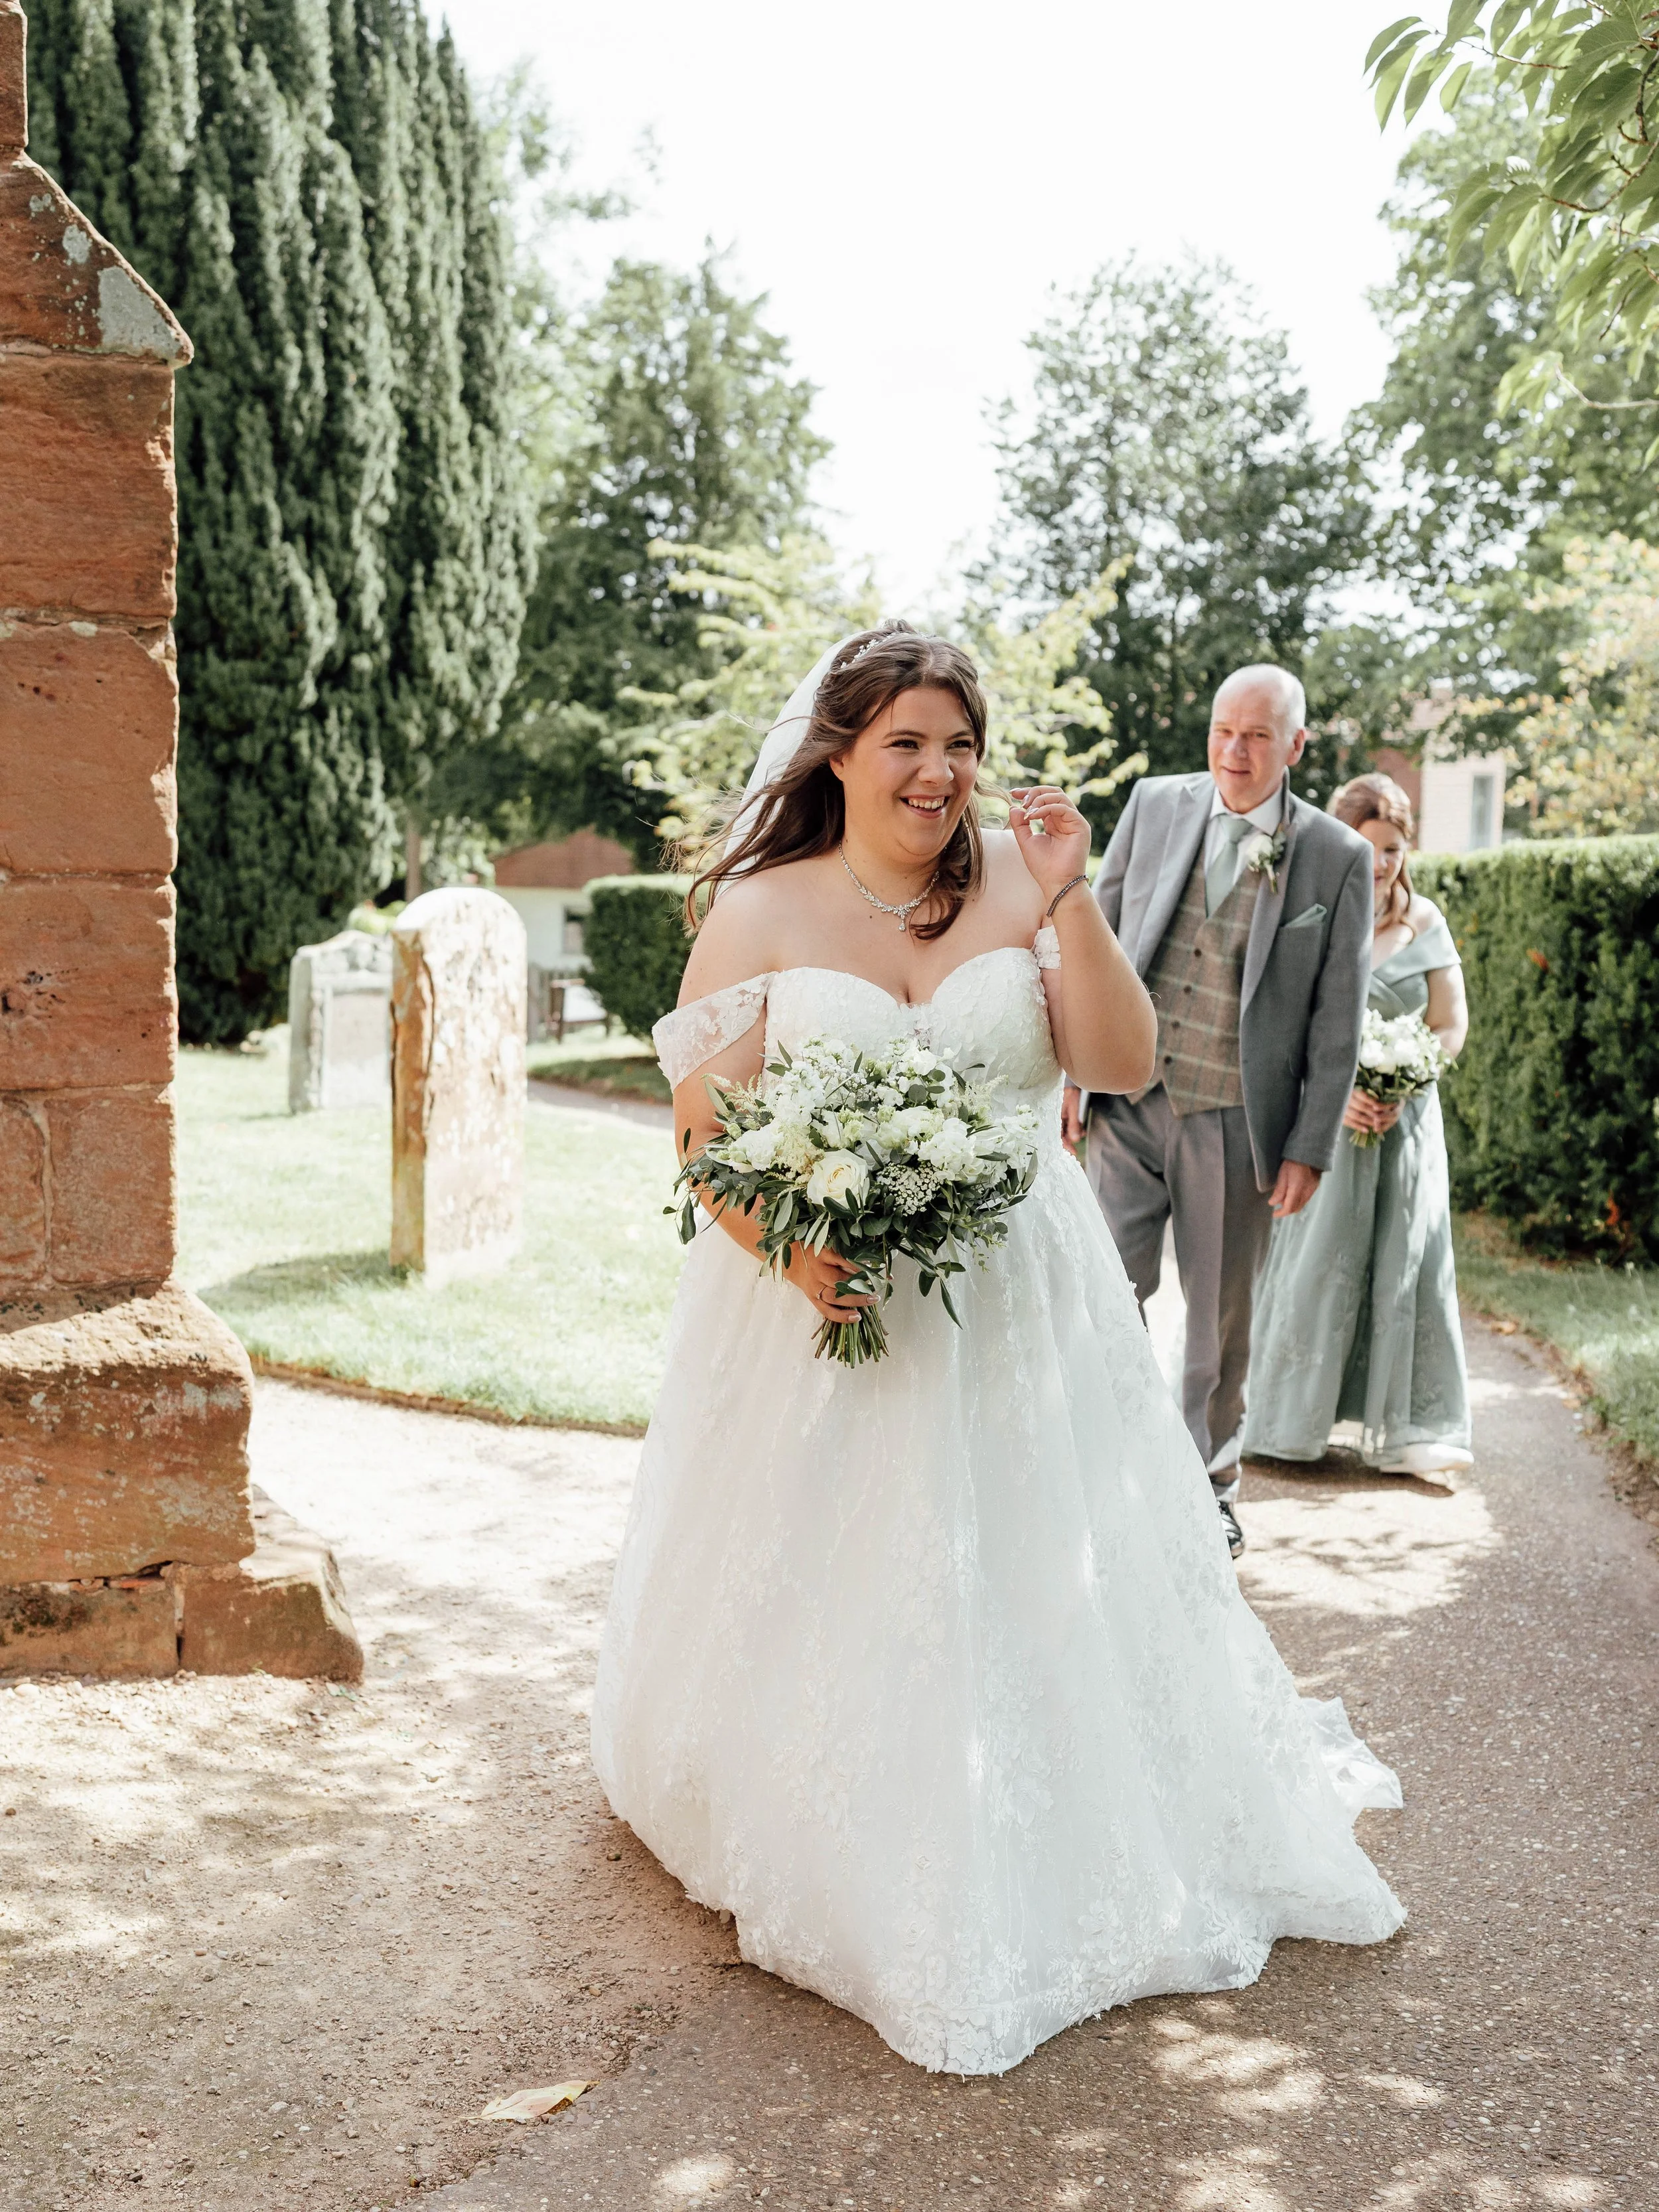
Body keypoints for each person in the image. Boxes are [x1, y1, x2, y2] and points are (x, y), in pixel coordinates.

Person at [591, 624, 1403, 2080]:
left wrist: (1069, 896)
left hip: (1023, 1301)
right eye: (903, 740)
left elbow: (1114, 1063)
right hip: (821, 1310)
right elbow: (706, 1134)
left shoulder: (1022, 888)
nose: (934, 769)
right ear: (837, 750)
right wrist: (796, 1250)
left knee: (1040, 1567)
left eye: (955, 742)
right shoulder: (760, 910)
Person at [1062, 667, 1375, 1558]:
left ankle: (1209, 1485)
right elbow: (1097, 938)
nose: (1234, 752)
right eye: (1222, 730)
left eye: (1257, 736)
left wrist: (1310, 1144)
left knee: (1217, 1326)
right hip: (1127, 1101)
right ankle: (1098, 1469)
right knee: (1105, 1292)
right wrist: (1074, 1075)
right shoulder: (1154, 805)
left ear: (1297, 747)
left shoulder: (1335, 857)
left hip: (1238, 1121)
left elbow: (1336, 1017)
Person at [1242, 774, 1472, 1480]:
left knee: (1408, 1265)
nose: (1380, 865)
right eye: (1368, 848)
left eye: (1394, 851)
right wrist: (1334, 1092)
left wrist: (1406, 1079)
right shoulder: (1308, 908)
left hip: (1404, 1127)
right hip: (1327, 1122)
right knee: (1318, 1265)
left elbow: (1451, 1024)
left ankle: (1410, 1427)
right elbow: (1280, 1021)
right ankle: (1290, 1420)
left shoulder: (1426, 922)